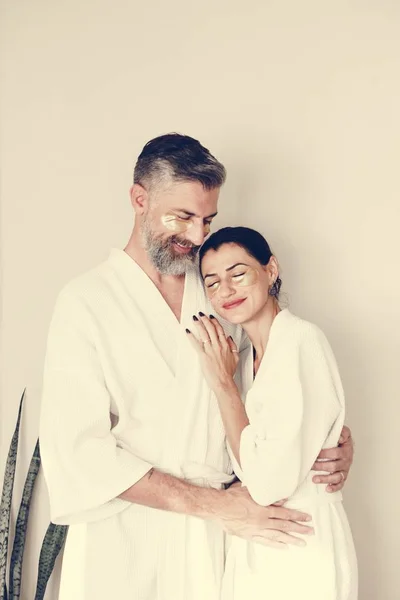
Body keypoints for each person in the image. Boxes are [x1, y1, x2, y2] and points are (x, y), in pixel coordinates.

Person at [39, 134, 354, 600]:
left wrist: (332, 439)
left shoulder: (217, 290)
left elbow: (276, 385)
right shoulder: (86, 302)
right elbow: (78, 451)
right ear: (139, 198)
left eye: (207, 219)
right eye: (182, 217)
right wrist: (216, 507)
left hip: (220, 539)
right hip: (126, 537)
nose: (197, 235)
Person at [187, 225, 358, 599]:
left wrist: (223, 384)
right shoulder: (243, 359)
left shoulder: (300, 342)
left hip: (302, 545)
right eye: (212, 282)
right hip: (255, 548)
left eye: (238, 274)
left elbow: (266, 485)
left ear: (271, 270)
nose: (226, 291)